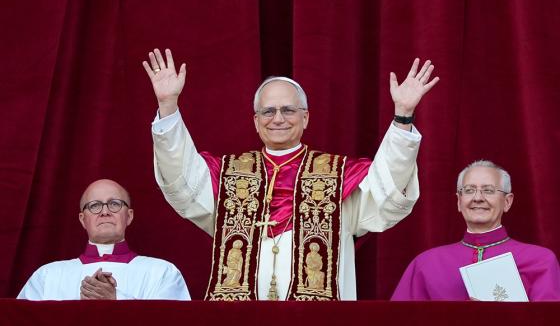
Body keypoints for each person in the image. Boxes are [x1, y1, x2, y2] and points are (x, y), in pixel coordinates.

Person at [144, 48, 439, 301]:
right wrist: (168, 106)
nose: (278, 119)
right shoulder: (227, 175)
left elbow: (387, 188)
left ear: (305, 117)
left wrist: (403, 115)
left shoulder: (339, 177)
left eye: (288, 110)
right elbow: (181, 181)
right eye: (268, 111)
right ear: (256, 121)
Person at [391, 160, 560, 301]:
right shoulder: (425, 264)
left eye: (488, 190)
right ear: (459, 201)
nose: (478, 198)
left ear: (507, 201)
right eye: (469, 190)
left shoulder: (540, 261)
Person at [18, 179, 190, 300]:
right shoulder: (47, 276)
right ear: (82, 219)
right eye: (94, 205)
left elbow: (174, 320)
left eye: (114, 204)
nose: (105, 211)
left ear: (129, 216)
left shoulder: (163, 273)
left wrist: (117, 301)